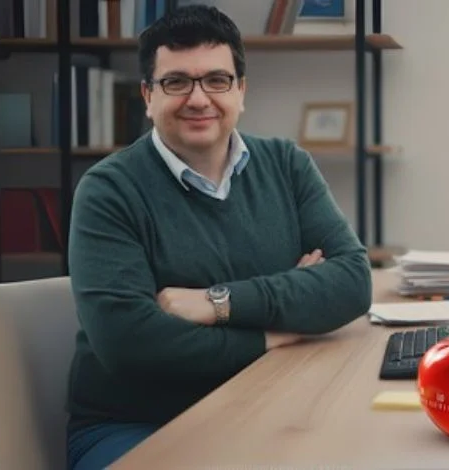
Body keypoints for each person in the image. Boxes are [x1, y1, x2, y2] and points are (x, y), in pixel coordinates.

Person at [64, 5, 373, 469]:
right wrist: (276, 332)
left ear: (240, 90)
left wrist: (216, 303)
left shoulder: (287, 165)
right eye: (176, 82)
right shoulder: (108, 190)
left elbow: (351, 282)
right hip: (139, 426)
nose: (198, 98)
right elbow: (129, 345)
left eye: (216, 80)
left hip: (266, 408)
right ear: (148, 96)